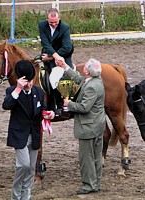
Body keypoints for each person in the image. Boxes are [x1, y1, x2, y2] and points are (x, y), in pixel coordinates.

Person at [2, 60, 55, 200]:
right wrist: (18, 89)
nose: (29, 84)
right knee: (23, 165)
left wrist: (49, 114)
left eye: (30, 81)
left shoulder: (38, 91)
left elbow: (42, 109)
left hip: (34, 135)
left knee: (31, 169)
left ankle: (26, 196)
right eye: (26, 82)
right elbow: (6, 105)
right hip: (19, 135)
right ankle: (16, 194)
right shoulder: (12, 91)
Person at [55, 57, 106, 195]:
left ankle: (89, 185)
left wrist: (68, 104)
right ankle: (96, 183)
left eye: (85, 68)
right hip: (97, 124)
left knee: (86, 158)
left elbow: (84, 107)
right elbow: (78, 79)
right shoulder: (95, 80)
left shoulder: (91, 87)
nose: (82, 69)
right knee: (95, 156)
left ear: (88, 72)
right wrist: (65, 66)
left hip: (88, 127)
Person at [38, 8, 74, 111]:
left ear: (59, 19)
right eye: (51, 23)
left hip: (63, 56)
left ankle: (60, 104)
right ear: (47, 19)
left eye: (55, 22)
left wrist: (52, 57)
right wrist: (53, 56)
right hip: (48, 54)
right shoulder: (42, 25)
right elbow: (45, 43)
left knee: (54, 78)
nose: (53, 24)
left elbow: (67, 47)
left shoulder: (65, 28)